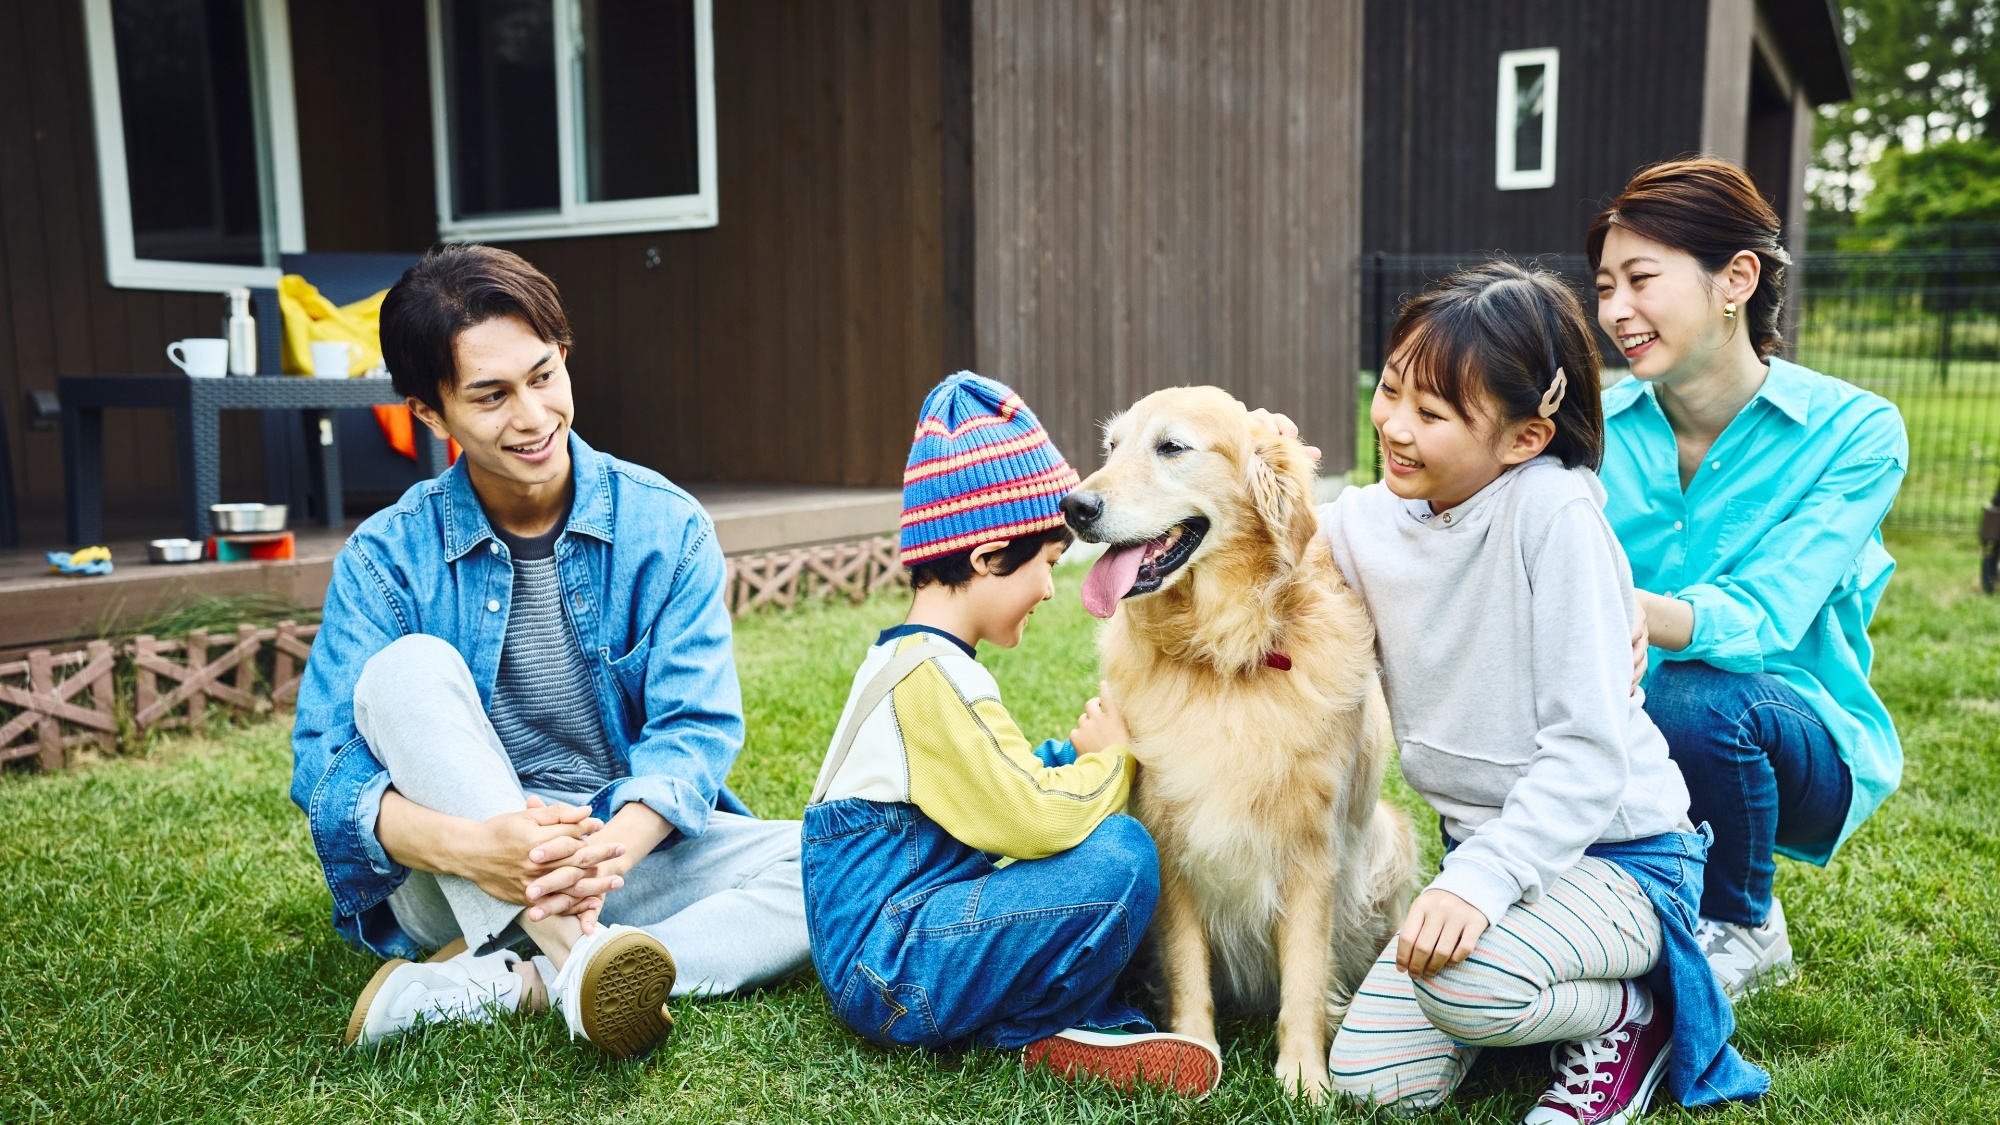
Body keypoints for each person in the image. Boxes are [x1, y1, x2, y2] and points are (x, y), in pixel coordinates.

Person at [290, 245, 811, 1058]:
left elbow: (694, 732)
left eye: (543, 376)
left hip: (616, 850)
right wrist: (482, 849)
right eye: (491, 396)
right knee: (406, 670)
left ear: (564, 356)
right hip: (456, 873)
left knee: (835, 867)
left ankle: (518, 980)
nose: (532, 417)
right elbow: (325, 772)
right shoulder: (385, 555)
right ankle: (586, 959)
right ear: (429, 412)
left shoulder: (666, 528)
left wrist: (599, 853)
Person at [1313, 264, 1766, 1123]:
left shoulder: (1555, 517)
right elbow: (1281, 547)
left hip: (1623, 859)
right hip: (1498, 858)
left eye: (1433, 414)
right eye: (1392, 390)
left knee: (1469, 985)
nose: (1395, 427)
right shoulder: (1370, 520)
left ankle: (1634, 1017)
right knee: (1375, 1081)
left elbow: (1588, 760)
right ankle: (1528, 987)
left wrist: (1474, 885)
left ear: (1525, 437)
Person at [801, 372, 1222, 1097]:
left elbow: (992, 782)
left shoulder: (916, 660)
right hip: (894, 968)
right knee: (1120, 856)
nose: (1051, 588)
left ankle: (1062, 1016)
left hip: (898, 951)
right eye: (1047, 564)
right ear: (989, 554)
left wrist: (1068, 760)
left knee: (1097, 839)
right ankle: (1040, 1025)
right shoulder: (929, 680)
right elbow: (1028, 818)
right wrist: (1112, 761)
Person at [1591, 159, 1908, 998]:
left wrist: (1613, 606)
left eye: (1641, 280)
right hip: (1617, 735)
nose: (1616, 310)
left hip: (1785, 736)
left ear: (1736, 278)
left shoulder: (1856, 433)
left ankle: (1743, 920)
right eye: (1604, 287)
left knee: (1699, 688)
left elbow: (1767, 615)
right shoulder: (1592, 428)